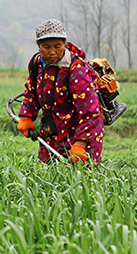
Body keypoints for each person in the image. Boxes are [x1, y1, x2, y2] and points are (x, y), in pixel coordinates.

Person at [17, 19, 104, 163]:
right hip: (52, 130)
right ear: (38, 46)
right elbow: (31, 91)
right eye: (46, 47)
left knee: (82, 179)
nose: (52, 52)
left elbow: (91, 111)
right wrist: (26, 116)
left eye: (57, 46)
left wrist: (80, 144)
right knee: (47, 176)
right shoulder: (37, 64)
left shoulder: (76, 71)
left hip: (80, 132)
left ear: (65, 44)